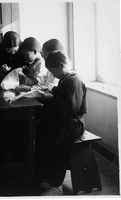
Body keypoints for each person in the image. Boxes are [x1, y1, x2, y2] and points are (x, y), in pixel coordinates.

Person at [35, 51, 87, 195]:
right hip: (64, 120)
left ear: (61, 65)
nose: (54, 75)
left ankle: (55, 182)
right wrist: (50, 92)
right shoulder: (65, 78)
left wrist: (51, 98)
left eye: (53, 71)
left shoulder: (73, 80)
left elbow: (70, 108)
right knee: (41, 131)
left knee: (55, 142)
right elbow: (60, 94)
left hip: (74, 123)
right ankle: (45, 176)